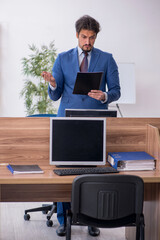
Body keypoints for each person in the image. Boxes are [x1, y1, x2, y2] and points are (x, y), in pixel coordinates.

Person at [42, 15, 121, 237]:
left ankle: (92, 219)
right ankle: (63, 220)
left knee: (93, 173)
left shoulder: (106, 59)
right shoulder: (62, 58)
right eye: (84, 37)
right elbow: (56, 94)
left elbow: (116, 89)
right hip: (67, 121)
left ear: (96, 37)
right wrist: (53, 83)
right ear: (77, 35)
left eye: (92, 37)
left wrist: (104, 95)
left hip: (95, 122)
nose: (88, 41)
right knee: (64, 172)